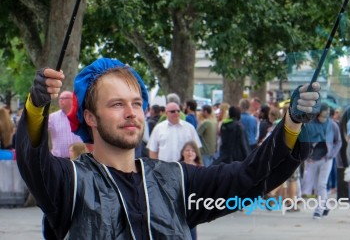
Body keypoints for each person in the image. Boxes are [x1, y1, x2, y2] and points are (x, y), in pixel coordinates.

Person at [16, 58, 321, 239]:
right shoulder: (69, 183)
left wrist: (292, 122)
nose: (131, 112)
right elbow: (34, 161)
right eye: (117, 104)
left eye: (136, 103)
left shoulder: (176, 180)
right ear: (90, 116)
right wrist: (37, 104)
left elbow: (249, 177)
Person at [301, 103, 342, 219]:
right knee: (316, 184)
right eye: (325, 111)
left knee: (321, 184)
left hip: (326, 158)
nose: (327, 114)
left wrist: (331, 155)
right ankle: (325, 205)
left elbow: (338, 142)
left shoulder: (332, 125)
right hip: (313, 159)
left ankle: (318, 210)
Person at [48, 91, 84, 158]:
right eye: (60, 98)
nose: (61, 100)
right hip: (60, 159)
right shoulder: (52, 117)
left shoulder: (81, 115)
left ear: (72, 99)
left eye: (64, 98)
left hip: (80, 158)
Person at [179, 141, 202, 240]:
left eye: (193, 151)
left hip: (193, 203)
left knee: (191, 227)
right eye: (187, 150)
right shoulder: (176, 166)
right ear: (182, 153)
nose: (190, 153)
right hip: (179, 202)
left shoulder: (200, 169)